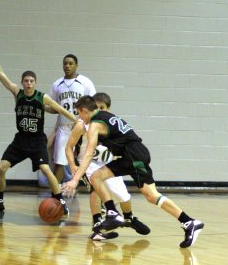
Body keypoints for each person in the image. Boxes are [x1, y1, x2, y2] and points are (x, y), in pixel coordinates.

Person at [63, 94, 204, 248]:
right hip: (132, 154)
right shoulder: (107, 115)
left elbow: (89, 153)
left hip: (133, 155)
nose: (80, 118)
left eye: (79, 114)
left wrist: (75, 179)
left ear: (84, 110)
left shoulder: (95, 124)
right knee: (98, 177)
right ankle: (113, 213)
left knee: (150, 195)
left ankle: (188, 222)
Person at [0, 34, 76, 216]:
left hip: (36, 141)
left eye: (31, 81)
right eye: (25, 81)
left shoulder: (42, 97)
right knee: (1, 167)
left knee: (45, 168)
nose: (28, 83)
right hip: (20, 140)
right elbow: (0, 74)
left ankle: (60, 200)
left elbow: (59, 109)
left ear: (35, 83)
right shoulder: (17, 93)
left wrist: (77, 119)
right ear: (22, 82)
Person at [65, 95, 150, 241]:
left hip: (105, 162)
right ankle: (97, 227)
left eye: (102, 108)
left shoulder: (107, 122)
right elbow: (68, 147)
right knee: (95, 189)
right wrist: (73, 166)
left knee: (123, 194)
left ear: (107, 109)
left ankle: (129, 218)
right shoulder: (82, 125)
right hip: (87, 163)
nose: (98, 110)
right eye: (96, 107)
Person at [48, 54, 96, 183]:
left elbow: (93, 105)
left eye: (70, 63)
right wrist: (41, 107)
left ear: (76, 65)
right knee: (59, 162)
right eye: (65, 63)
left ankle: (92, 189)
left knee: (86, 161)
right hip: (64, 128)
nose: (67, 66)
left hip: (82, 127)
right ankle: (56, 195)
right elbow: (54, 108)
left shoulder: (86, 82)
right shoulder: (56, 85)